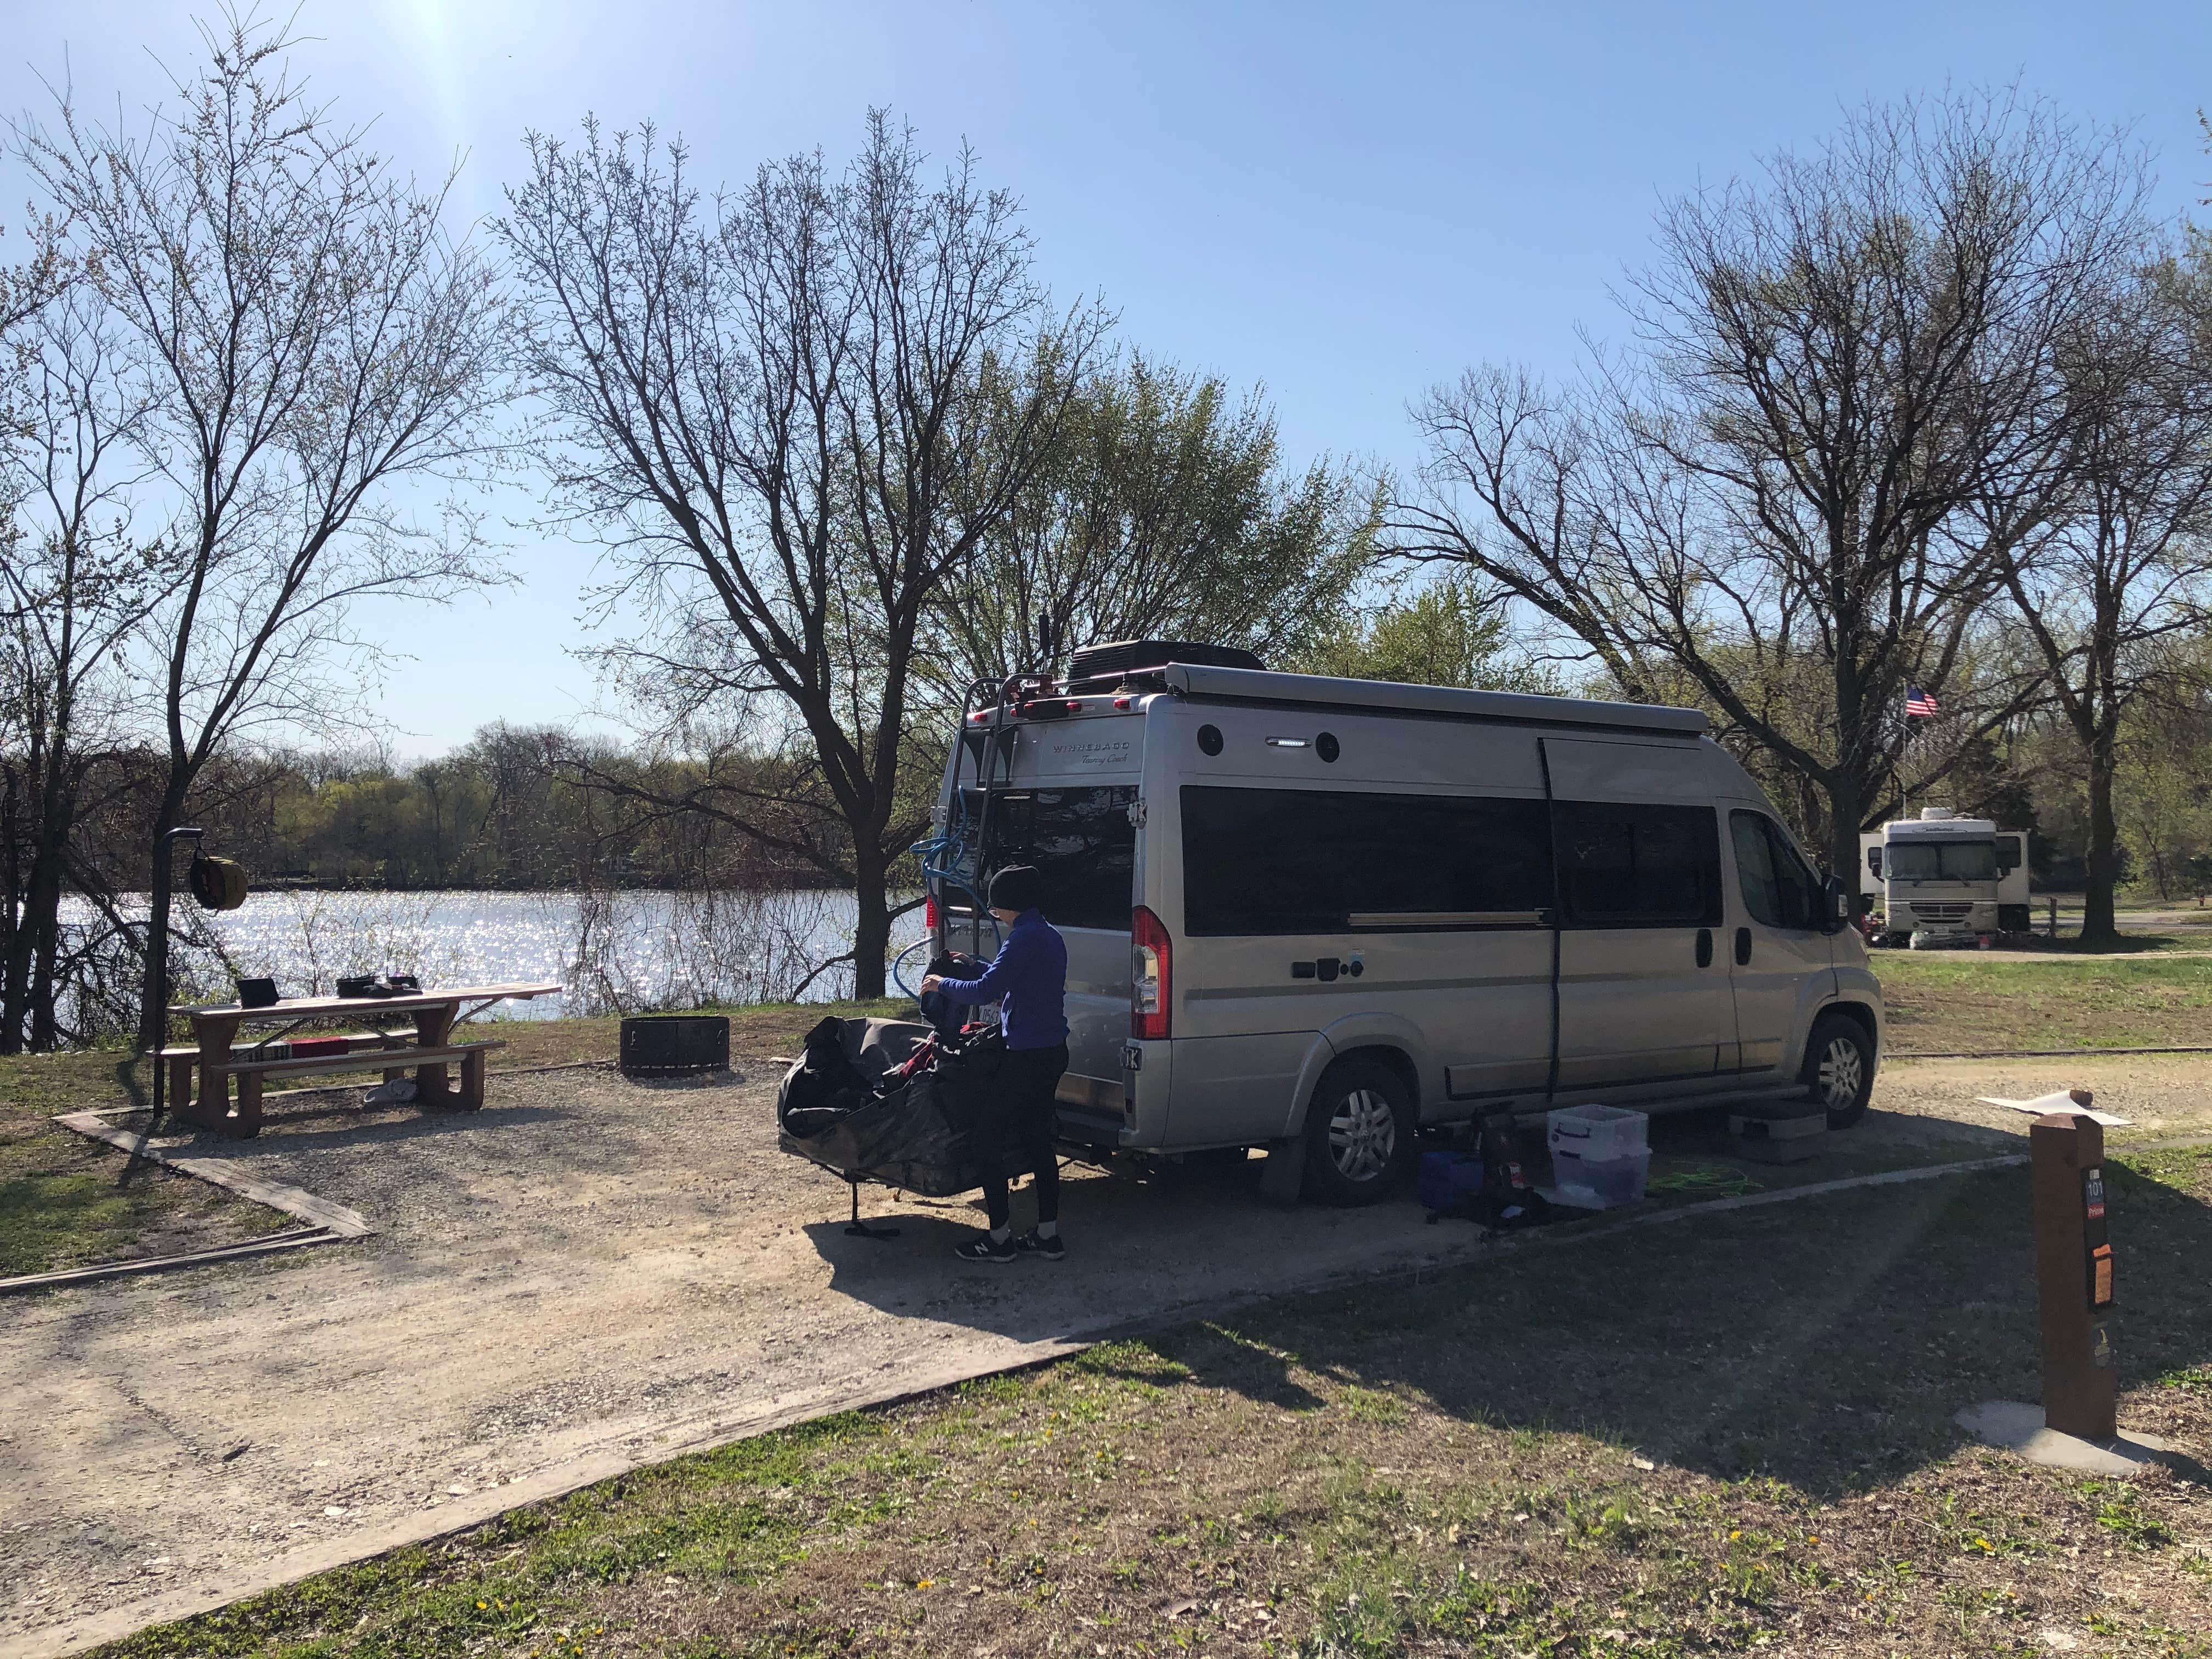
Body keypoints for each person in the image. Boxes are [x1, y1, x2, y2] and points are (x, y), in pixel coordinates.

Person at [919, 865, 1069, 1263]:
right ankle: (1048, 1236)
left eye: (996, 904)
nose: (994, 911)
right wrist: (972, 962)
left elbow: (986, 992)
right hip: (1053, 1051)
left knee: (987, 1141)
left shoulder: (1022, 937)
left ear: (1010, 904)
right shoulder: (1049, 935)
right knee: (1038, 1139)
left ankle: (999, 1241)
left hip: (1026, 1056)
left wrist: (942, 983)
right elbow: (1009, 979)